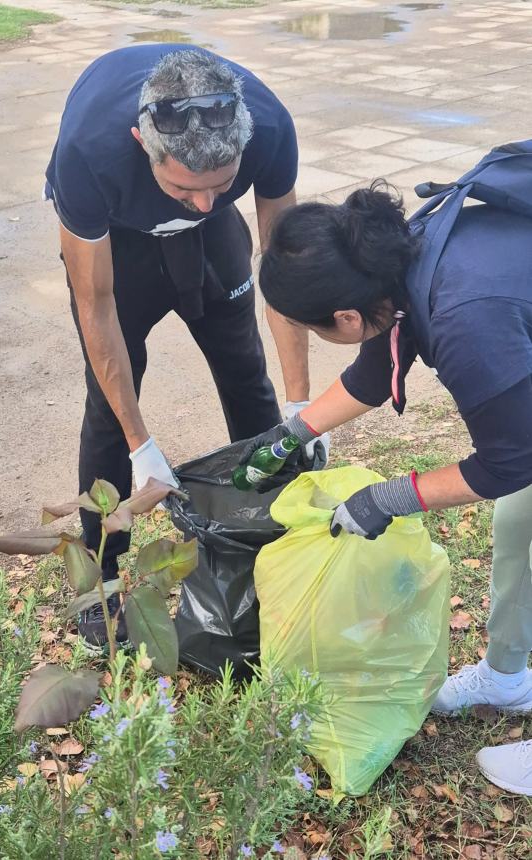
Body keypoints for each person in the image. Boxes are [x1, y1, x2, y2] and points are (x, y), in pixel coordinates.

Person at [239, 179, 532, 796]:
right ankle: (507, 676)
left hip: (503, 369)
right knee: (520, 526)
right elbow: (377, 369)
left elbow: (509, 463)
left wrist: (386, 498)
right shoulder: (397, 258)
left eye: (314, 330)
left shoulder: (462, 319)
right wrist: (292, 432)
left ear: (345, 316)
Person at [45, 45, 325, 650]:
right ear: (143, 144)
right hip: (119, 244)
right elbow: (96, 305)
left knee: (248, 376)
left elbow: (284, 271)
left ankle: (265, 544)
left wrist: (303, 405)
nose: (202, 200)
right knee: (109, 404)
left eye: (220, 186)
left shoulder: (270, 127)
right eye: (186, 188)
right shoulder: (89, 154)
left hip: (213, 246)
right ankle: (102, 579)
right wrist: (141, 443)